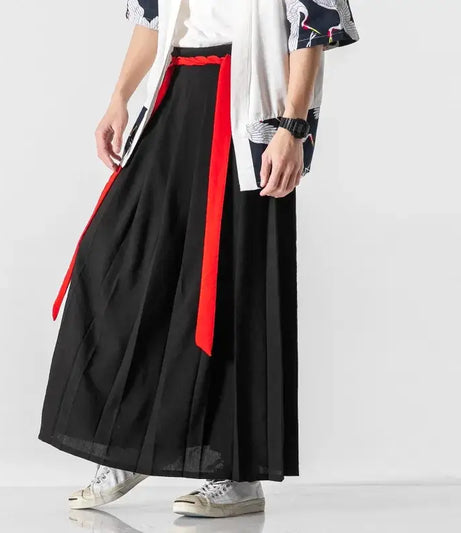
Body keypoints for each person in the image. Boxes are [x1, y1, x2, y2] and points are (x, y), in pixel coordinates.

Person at [38, 0, 359, 519]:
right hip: (174, 90)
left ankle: (238, 473)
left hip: (249, 101)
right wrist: (119, 96)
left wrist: (292, 126)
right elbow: (152, 18)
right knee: (116, 259)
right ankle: (129, 441)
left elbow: (313, 28)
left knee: (234, 278)